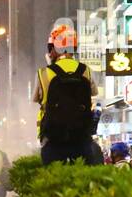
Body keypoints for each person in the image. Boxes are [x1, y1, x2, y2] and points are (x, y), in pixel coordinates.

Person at [34, 24, 102, 166]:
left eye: (50, 48)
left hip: (53, 140)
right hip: (81, 138)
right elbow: (94, 94)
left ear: (55, 48)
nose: (50, 52)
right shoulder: (86, 71)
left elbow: (37, 99)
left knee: (54, 181)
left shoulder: (44, 73)